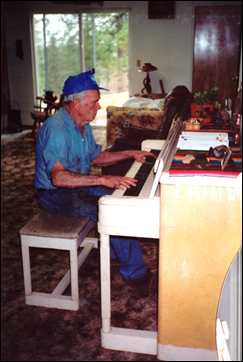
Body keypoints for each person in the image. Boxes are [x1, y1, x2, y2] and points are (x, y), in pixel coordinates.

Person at [35, 70, 155, 297]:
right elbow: (58, 178)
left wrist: (129, 153)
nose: (98, 108)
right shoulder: (57, 129)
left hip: (77, 185)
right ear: (74, 103)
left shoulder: (83, 125)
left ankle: (114, 252)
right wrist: (102, 179)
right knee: (113, 213)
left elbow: (96, 158)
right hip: (53, 194)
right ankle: (137, 275)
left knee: (119, 202)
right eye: (94, 103)